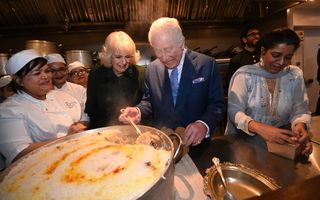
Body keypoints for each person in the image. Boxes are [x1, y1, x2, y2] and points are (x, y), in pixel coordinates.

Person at [119, 17, 225, 160]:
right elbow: (149, 101)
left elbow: (217, 105)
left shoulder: (207, 65)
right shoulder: (151, 69)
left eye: (168, 49)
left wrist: (203, 125)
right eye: (158, 51)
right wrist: (138, 111)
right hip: (162, 147)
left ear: (181, 42)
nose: (164, 57)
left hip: (196, 147)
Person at [225, 28, 312, 156]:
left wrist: (300, 125)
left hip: (281, 143)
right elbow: (234, 111)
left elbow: (299, 109)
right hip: (247, 144)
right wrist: (260, 128)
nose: (282, 62)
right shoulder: (245, 75)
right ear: (263, 51)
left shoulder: (294, 76)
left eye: (288, 57)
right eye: (276, 55)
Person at [0, 49, 88, 166]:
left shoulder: (62, 96)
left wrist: (80, 126)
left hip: (77, 158)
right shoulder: (9, 110)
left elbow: (83, 117)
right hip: (42, 168)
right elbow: (19, 153)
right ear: (19, 80)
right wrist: (66, 139)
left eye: (47, 71)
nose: (45, 76)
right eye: (37, 73)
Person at [85, 31, 145, 129]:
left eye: (128, 57)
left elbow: (146, 105)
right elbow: (91, 109)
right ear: (109, 56)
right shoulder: (96, 73)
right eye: (118, 57)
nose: (124, 62)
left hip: (132, 130)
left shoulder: (140, 74)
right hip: (103, 131)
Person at [45, 53, 88, 118]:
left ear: (67, 70)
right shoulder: (43, 93)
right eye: (53, 71)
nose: (58, 74)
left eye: (61, 69)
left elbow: (86, 113)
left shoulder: (80, 89)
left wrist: (82, 123)